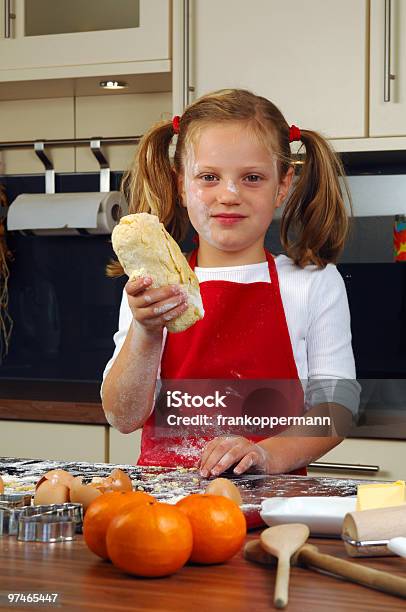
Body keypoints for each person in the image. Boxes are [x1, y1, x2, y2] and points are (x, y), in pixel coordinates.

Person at [101, 88, 359, 478]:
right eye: (208, 177)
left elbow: (336, 412)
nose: (229, 194)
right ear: (181, 185)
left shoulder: (313, 284)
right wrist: (146, 330)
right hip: (164, 516)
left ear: (283, 185)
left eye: (252, 178)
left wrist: (267, 455)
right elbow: (122, 416)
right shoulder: (149, 290)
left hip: (273, 510)